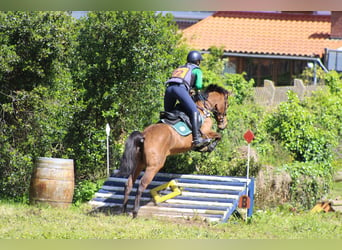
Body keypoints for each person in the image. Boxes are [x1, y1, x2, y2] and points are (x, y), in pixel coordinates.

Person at [164, 50, 210, 148]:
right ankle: (197, 139)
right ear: (197, 61)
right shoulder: (196, 69)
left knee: (168, 115)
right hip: (179, 89)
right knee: (194, 111)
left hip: (169, 89)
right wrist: (193, 89)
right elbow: (198, 85)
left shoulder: (180, 68)